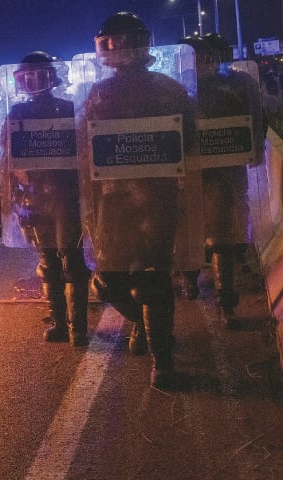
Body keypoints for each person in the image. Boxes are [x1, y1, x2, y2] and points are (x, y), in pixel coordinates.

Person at [79, 12, 197, 389]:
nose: (121, 50)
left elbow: (188, 137)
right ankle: (145, 324)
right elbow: (84, 145)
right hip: (112, 202)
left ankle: (163, 362)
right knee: (108, 281)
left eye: (127, 41)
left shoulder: (168, 88)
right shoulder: (98, 93)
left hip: (157, 197)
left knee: (153, 279)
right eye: (113, 43)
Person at [0, 52, 90, 346]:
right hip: (39, 197)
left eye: (40, 75)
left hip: (62, 195)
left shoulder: (67, 109)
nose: (35, 82)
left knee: (67, 259)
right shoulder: (17, 114)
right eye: (29, 77)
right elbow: (7, 159)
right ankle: (67, 326)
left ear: (52, 78)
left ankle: (75, 329)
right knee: (52, 261)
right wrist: (7, 196)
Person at [177, 35, 265, 329]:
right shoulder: (176, 89)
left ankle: (225, 302)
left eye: (208, 56)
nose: (204, 62)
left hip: (221, 173)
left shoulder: (236, 85)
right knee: (194, 235)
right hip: (192, 173)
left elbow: (256, 119)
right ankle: (199, 286)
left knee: (221, 239)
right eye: (199, 57)